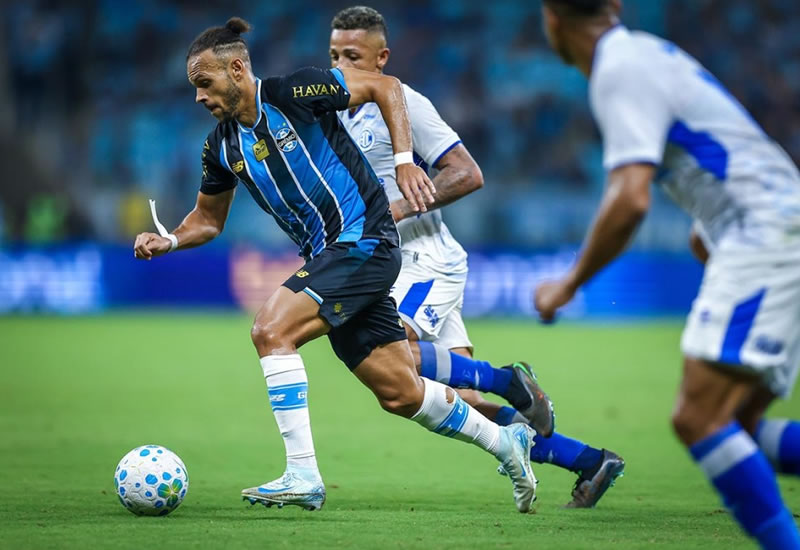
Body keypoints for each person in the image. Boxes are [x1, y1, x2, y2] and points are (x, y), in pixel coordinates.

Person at [133, 17, 537, 514]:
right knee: (401, 392)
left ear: (237, 69)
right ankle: (507, 443)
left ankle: (302, 473)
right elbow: (208, 220)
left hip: (363, 240)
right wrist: (170, 238)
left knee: (270, 330)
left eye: (205, 83)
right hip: (334, 258)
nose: (199, 97)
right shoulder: (220, 147)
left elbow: (385, 87)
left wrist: (407, 160)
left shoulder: (294, 91)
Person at [329, 5, 624, 508]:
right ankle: (591, 462)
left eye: (353, 57)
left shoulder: (404, 104)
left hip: (423, 258)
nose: (341, 69)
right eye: (334, 56)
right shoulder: (331, 110)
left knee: (391, 356)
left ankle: (508, 379)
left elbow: (467, 173)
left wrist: (396, 209)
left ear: (382, 58)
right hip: (383, 265)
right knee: (460, 404)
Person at [534, 0, 800, 546]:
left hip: (764, 233)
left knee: (697, 419)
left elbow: (630, 199)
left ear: (551, 19)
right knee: (737, 429)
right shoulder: (648, 53)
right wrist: (710, 229)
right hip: (769, 224)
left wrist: (569, 283)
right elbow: (730, 145)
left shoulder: (618, 67)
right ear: (614, 6)